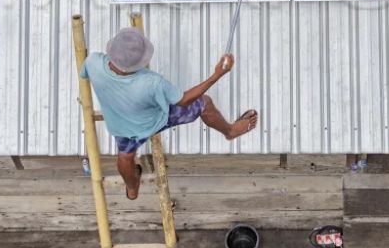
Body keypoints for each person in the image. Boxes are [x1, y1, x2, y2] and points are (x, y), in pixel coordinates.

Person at [81, 27, 258, 200]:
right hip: (152, 122)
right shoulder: (152, 82)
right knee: (204, 103)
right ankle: (230, 131)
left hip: (120, 126)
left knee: (125, 156)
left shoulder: (92, 62)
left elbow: (85, 75)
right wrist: (217, 75)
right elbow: (184, 100)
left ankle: (132, 189)